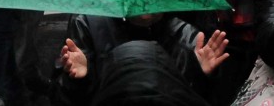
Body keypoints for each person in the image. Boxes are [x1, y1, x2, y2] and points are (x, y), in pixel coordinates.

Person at [53, 13, 228, 106]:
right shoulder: (88, 25)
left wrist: (200, 75)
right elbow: (61, 99)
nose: (145, 10)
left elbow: (208, 99)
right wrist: (76, 81)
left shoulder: (186, 37)